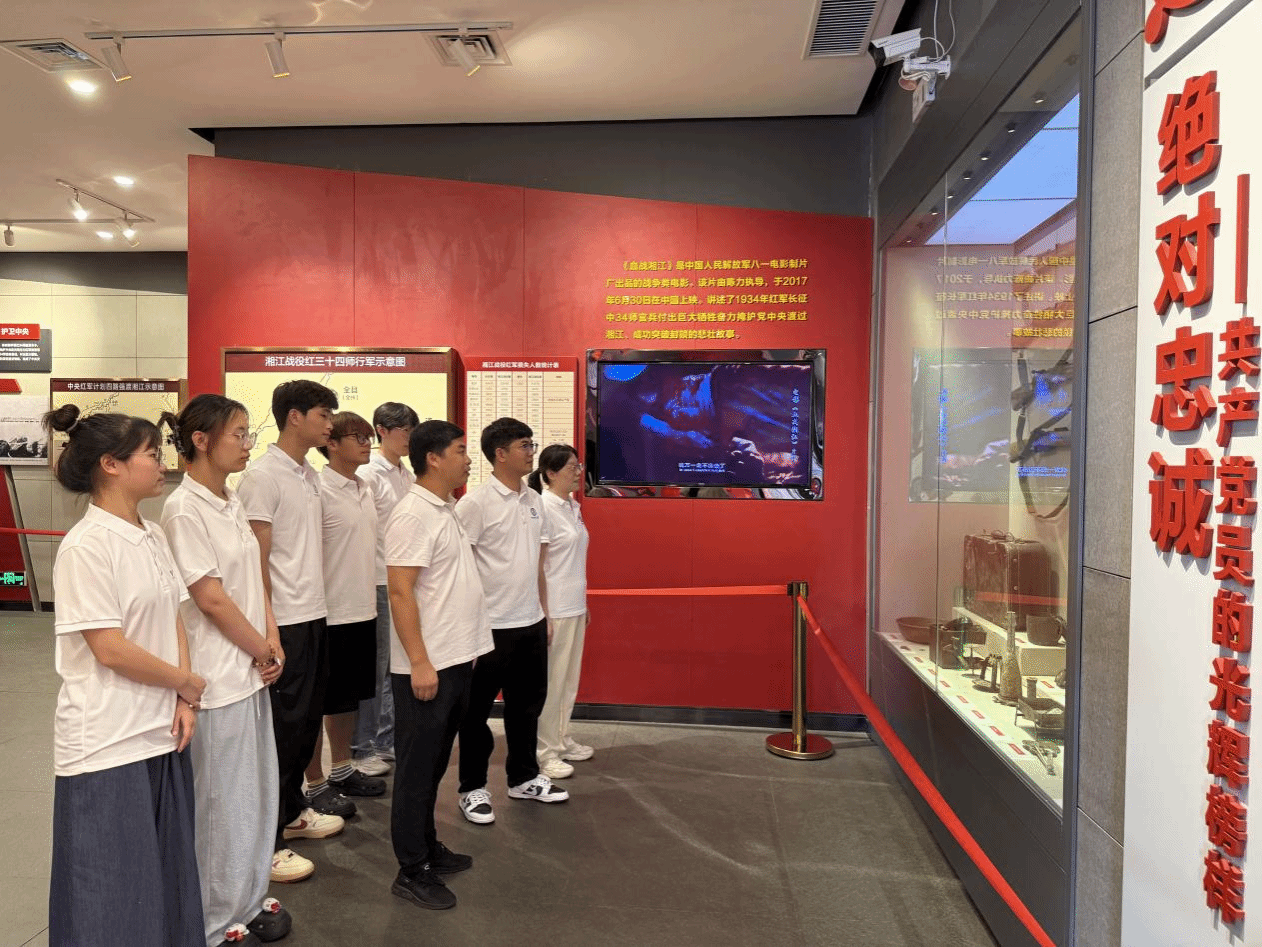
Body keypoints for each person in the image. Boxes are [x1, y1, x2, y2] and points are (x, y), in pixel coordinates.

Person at [44, 405, 206, 946]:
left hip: (160, 730)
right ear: (110, 464)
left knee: (166, 877)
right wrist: (183, 682)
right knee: (109, 891)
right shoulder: (86, 547)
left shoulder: (152, 534)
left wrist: (184, 697)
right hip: (107, 742)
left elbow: (175, 615)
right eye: (152, 455)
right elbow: (109, 649)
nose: (163, 464)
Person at [159, 395, 297, 944]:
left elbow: (254, 578)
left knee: (254, 796)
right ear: (201, 440)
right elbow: (210, 598)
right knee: (219, 806)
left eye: (247, 434)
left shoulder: (230, 499)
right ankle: (215, 923)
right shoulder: (183, 509)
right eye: (238, 434)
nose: (247, 445)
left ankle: (247, 897)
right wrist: (260, 650)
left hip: (250, 670)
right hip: (218, 680)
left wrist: (272, 635)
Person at [237, 380, 346, 874]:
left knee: (305, 725)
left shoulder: (310, 475)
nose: (330, 425)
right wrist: (269, 628)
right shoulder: (263, 477)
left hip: (315, 613)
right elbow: (256, 561)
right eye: (324, 415)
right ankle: (267, 837)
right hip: (284, 620)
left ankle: (294, 811)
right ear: (295, 416)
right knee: (282, 731)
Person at [386, 420, 493, 910]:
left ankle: (427, 847)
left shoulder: (444, 507)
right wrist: (419, 661)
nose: (468, 459)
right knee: (415, 770)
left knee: (432, 766)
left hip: (455, 659)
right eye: (460, 450)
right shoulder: (413, 514)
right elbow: (400, 591)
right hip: (428, 667)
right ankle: (411, 869)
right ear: (433, 457)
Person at [455, 417, 569, 826]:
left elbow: (539, 564)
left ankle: (523, 777)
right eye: (524, 445)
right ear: (500, 453)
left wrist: (544, 614)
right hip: (488, 627)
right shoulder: (474, 504)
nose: (531, 452)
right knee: (475, 715)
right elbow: (461, 569)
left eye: (531, 444)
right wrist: (466, 627)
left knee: (526, 708)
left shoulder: (534, 499)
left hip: (530, 622)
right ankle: (471, 788)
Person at [304, 411, 385, 803]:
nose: (367, 444)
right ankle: (315, 783)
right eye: (358, 437)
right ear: (332, 444)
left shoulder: (363, 487)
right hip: (328, 613)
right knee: (315, 704)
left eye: (368, 437)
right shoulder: (318, 490)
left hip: (362, 609)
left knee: (348, 699)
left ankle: (341, 768)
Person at [352, 401, 419, 777]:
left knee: (397, 665)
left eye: (412, 430)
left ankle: (385, 738)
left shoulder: (406, 474)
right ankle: (363, 746)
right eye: (404, 430)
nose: (409, 437)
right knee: (376, 668)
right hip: (378, 579)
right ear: (383, 430)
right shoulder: (370, 474)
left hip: (403, 579)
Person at [528, 445, 594, 780]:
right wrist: (544, 613)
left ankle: (561, 738)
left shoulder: (572, 506)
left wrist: (584, 603)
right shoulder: (543, 507)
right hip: (554, 609)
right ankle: (545, 752)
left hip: (574, 606)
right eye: (571, 467)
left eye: (578, 465)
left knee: (568, 681)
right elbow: (537, 566)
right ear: (550, 473)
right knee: (551, 684)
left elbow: (574, 561)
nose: (578, 472)